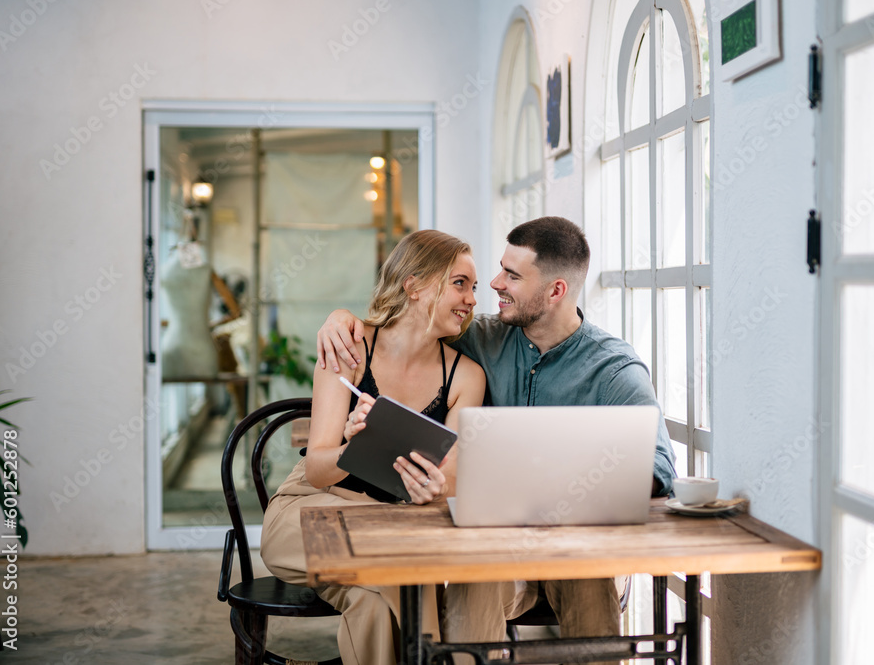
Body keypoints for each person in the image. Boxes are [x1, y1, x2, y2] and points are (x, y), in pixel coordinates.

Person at [316, 216, 676, 665]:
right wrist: (340, 319)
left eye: (512, 275)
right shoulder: (482, 337)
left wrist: (569, 488)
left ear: (556, 291)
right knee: (477, 572)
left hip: (577, 543)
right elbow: (409, 324)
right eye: (500, 269)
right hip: (496, 544)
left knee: (590, 578)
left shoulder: (614, 369)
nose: (493, 283)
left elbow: (659, 468)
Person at [260, 229, 486, 665]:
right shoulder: (349, 345)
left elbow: (453, 480)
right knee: (407, 572)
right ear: (414, 284)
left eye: (473, 287)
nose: (472, 298)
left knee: (374, 599)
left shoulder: (465, 376)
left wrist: (435, 488)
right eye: (460, 283)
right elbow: (317, 471)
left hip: (391, 524)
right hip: (311, 510)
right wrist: (351, 444)